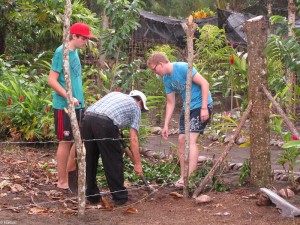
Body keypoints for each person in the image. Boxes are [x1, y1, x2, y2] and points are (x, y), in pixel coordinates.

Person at [147, 52, 213, 187]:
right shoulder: (166, 79)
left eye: (154, 69)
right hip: (187, 107)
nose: (155, 72)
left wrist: (204, 107)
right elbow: (170, 102)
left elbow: (204, 83)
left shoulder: (182, 67)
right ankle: (183, 176)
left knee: (190, 139)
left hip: (201, 105)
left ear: (160, 64)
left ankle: (191, 177)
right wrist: (165, 125)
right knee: (181, 139)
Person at [48, 22, 95, 190]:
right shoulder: (62, 52)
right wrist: (69, 97)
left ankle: (70, 173)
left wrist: (79, 98)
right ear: (74, 36)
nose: (86, 42)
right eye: (84, 38)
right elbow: (52, 80)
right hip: (64, 106)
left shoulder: (75, 53)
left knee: (79, 139)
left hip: (78, 105)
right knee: (66, 141)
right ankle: (62, 181)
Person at [82, 90, 148, 205]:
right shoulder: (135, 107)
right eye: (142, 108)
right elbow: (134, 138)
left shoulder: (115, 95)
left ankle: (92, 195)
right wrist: (138, 163)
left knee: (91, 158)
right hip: (105, 122)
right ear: (140, 102)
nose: (141, 110)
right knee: (113, 160)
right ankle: (120, 196)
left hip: (87, 119)